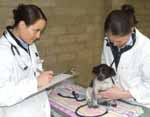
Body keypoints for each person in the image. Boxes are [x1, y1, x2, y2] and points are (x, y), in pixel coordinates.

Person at [0, 4, 53, 117]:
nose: (38, 36)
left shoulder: (30, 45)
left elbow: (32, 72)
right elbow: (2, 95)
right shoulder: (2, 52)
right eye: (36, 30)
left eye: (40, 31)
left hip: (37, 108)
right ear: (22, 25)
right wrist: (36, 83)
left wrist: (42, 76)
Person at [99, 9, 150, 108]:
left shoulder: (146, 48)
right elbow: (105, 64)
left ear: (131, 30)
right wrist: (106, 86)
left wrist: (122, 94)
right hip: (119, 102)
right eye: (111, 40)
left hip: (141, 104)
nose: (114, 44)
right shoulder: (109, 41)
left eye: (119, 41)